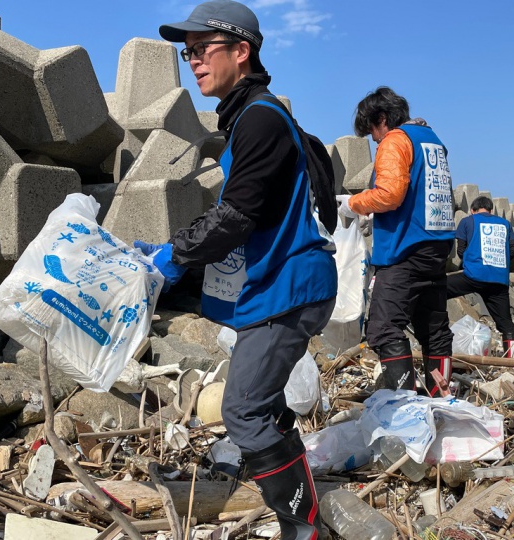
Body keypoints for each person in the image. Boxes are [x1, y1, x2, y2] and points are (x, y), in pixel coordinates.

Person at [136, 2, 337, 538]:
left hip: (290, 285)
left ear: (241, 51)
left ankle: (303, 526)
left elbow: (237, 214)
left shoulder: (260, 119)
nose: (193, 62)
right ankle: (292, 492)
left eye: (203, 50)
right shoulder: (254, 116)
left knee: (243, 411)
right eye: (188, 53)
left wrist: (172, 255)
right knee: (263, 408)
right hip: (282, 282)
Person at [337, 86, 455, 397]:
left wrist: (354, 204)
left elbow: (390, 194)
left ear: (382, 118)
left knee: (383, 329)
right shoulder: (433, 141)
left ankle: (405, 405)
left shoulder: (395, 141)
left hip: (406, 250)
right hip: (437, 247)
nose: (375, 140)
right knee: (434, 330)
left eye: (373, 131)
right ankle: (439, 402)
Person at [447, 196, 514, 357]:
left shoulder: (467, 221)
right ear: (491, 210)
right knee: (505, 323)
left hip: (473, 276)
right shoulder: (505, 224)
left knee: (438, 289)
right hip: (499, 280)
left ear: (472, 210)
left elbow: (461, 250)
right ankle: (513, 359)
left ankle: (435, 330)